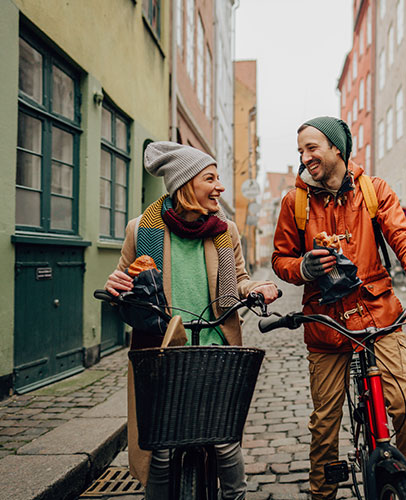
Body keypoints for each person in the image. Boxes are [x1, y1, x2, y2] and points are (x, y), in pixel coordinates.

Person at [271, 117, 406, 500]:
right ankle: (322, 495)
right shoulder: (296, 203)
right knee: (325, 424)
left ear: (336, 149)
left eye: (312, 148)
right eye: (300, 151)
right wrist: (302, 266)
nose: (305, 157)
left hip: (379, 316)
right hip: (325, 323)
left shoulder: (374, 192)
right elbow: (280, 258)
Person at [105, 141, 279, 500]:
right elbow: (123, 283)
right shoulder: (142, 230)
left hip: (216, 349)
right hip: (161, 352)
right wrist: (115, 285)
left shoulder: (224, 230)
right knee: (162, 453)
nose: (220, 187)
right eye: (211, 178)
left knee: (225, 444)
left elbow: (239, 280)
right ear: (186, 185)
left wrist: (254, 288)